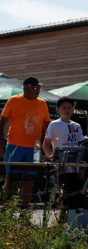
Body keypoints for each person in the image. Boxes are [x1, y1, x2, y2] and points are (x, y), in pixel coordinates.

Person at [0, 76, 51, 208]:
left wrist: (47, 147)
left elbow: (47, 124)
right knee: (10, 178)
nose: (39, 90)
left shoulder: (42, 103)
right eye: (36, 87)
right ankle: (5, 211)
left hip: (34, 149)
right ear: (27, 87)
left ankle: (23, 213)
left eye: (39, 87)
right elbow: (2, 120)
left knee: (29, 181)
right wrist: (0, 143)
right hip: (14, 146)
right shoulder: (14, 100)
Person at [42, 97, 84, 209]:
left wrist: (82, 166)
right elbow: (46, 144)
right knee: (65, 191)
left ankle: (72, 218)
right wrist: (51, 157)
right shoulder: (54, 124)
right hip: (61, 164)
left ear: (73, 109)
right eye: (64, 108)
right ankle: (62, 218)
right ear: (58, 110)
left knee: (77, 191)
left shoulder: (77, 126)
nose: (67, 110)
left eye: (69, 108)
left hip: (76, 165)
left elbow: (81, 145)